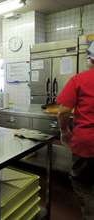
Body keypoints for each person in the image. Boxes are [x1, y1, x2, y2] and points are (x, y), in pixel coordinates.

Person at [57, 41, 94, 220]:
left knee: (83, 184)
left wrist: (64, 131)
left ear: (90, 59)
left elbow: (63, 111)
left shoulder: (80, 79)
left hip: (86, 144)